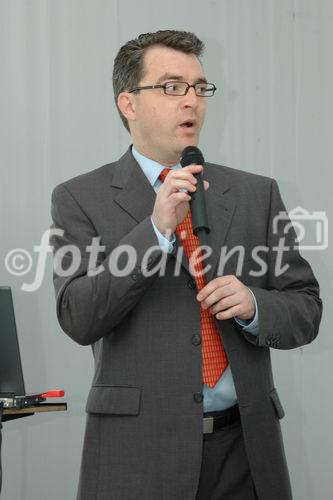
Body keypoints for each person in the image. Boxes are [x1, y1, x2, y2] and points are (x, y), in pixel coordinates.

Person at [50, 30, 322, 500]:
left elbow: (306, 309)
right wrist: (153, 231)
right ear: (128, 104)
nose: (191, 101)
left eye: (200, 87)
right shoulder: (80, 198)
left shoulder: (257, 194)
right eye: (172, 87)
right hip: (137, 454)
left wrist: (255, 306)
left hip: (246, 452)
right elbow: (78, 316)